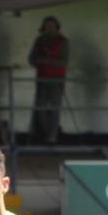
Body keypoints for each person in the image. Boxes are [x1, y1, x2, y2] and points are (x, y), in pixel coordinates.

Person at [29, 17, 69, 145]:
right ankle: (47, 133)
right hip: (42, 79)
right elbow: (32, 59)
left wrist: (50, 61)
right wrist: (40, 61)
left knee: (55, 108)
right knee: (40, 108)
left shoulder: (63, 41)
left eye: (52, 26)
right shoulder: (39, 41)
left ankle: (52, 136)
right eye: (47, 26)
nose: (49, 28)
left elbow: (64, 61)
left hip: (57, 79)